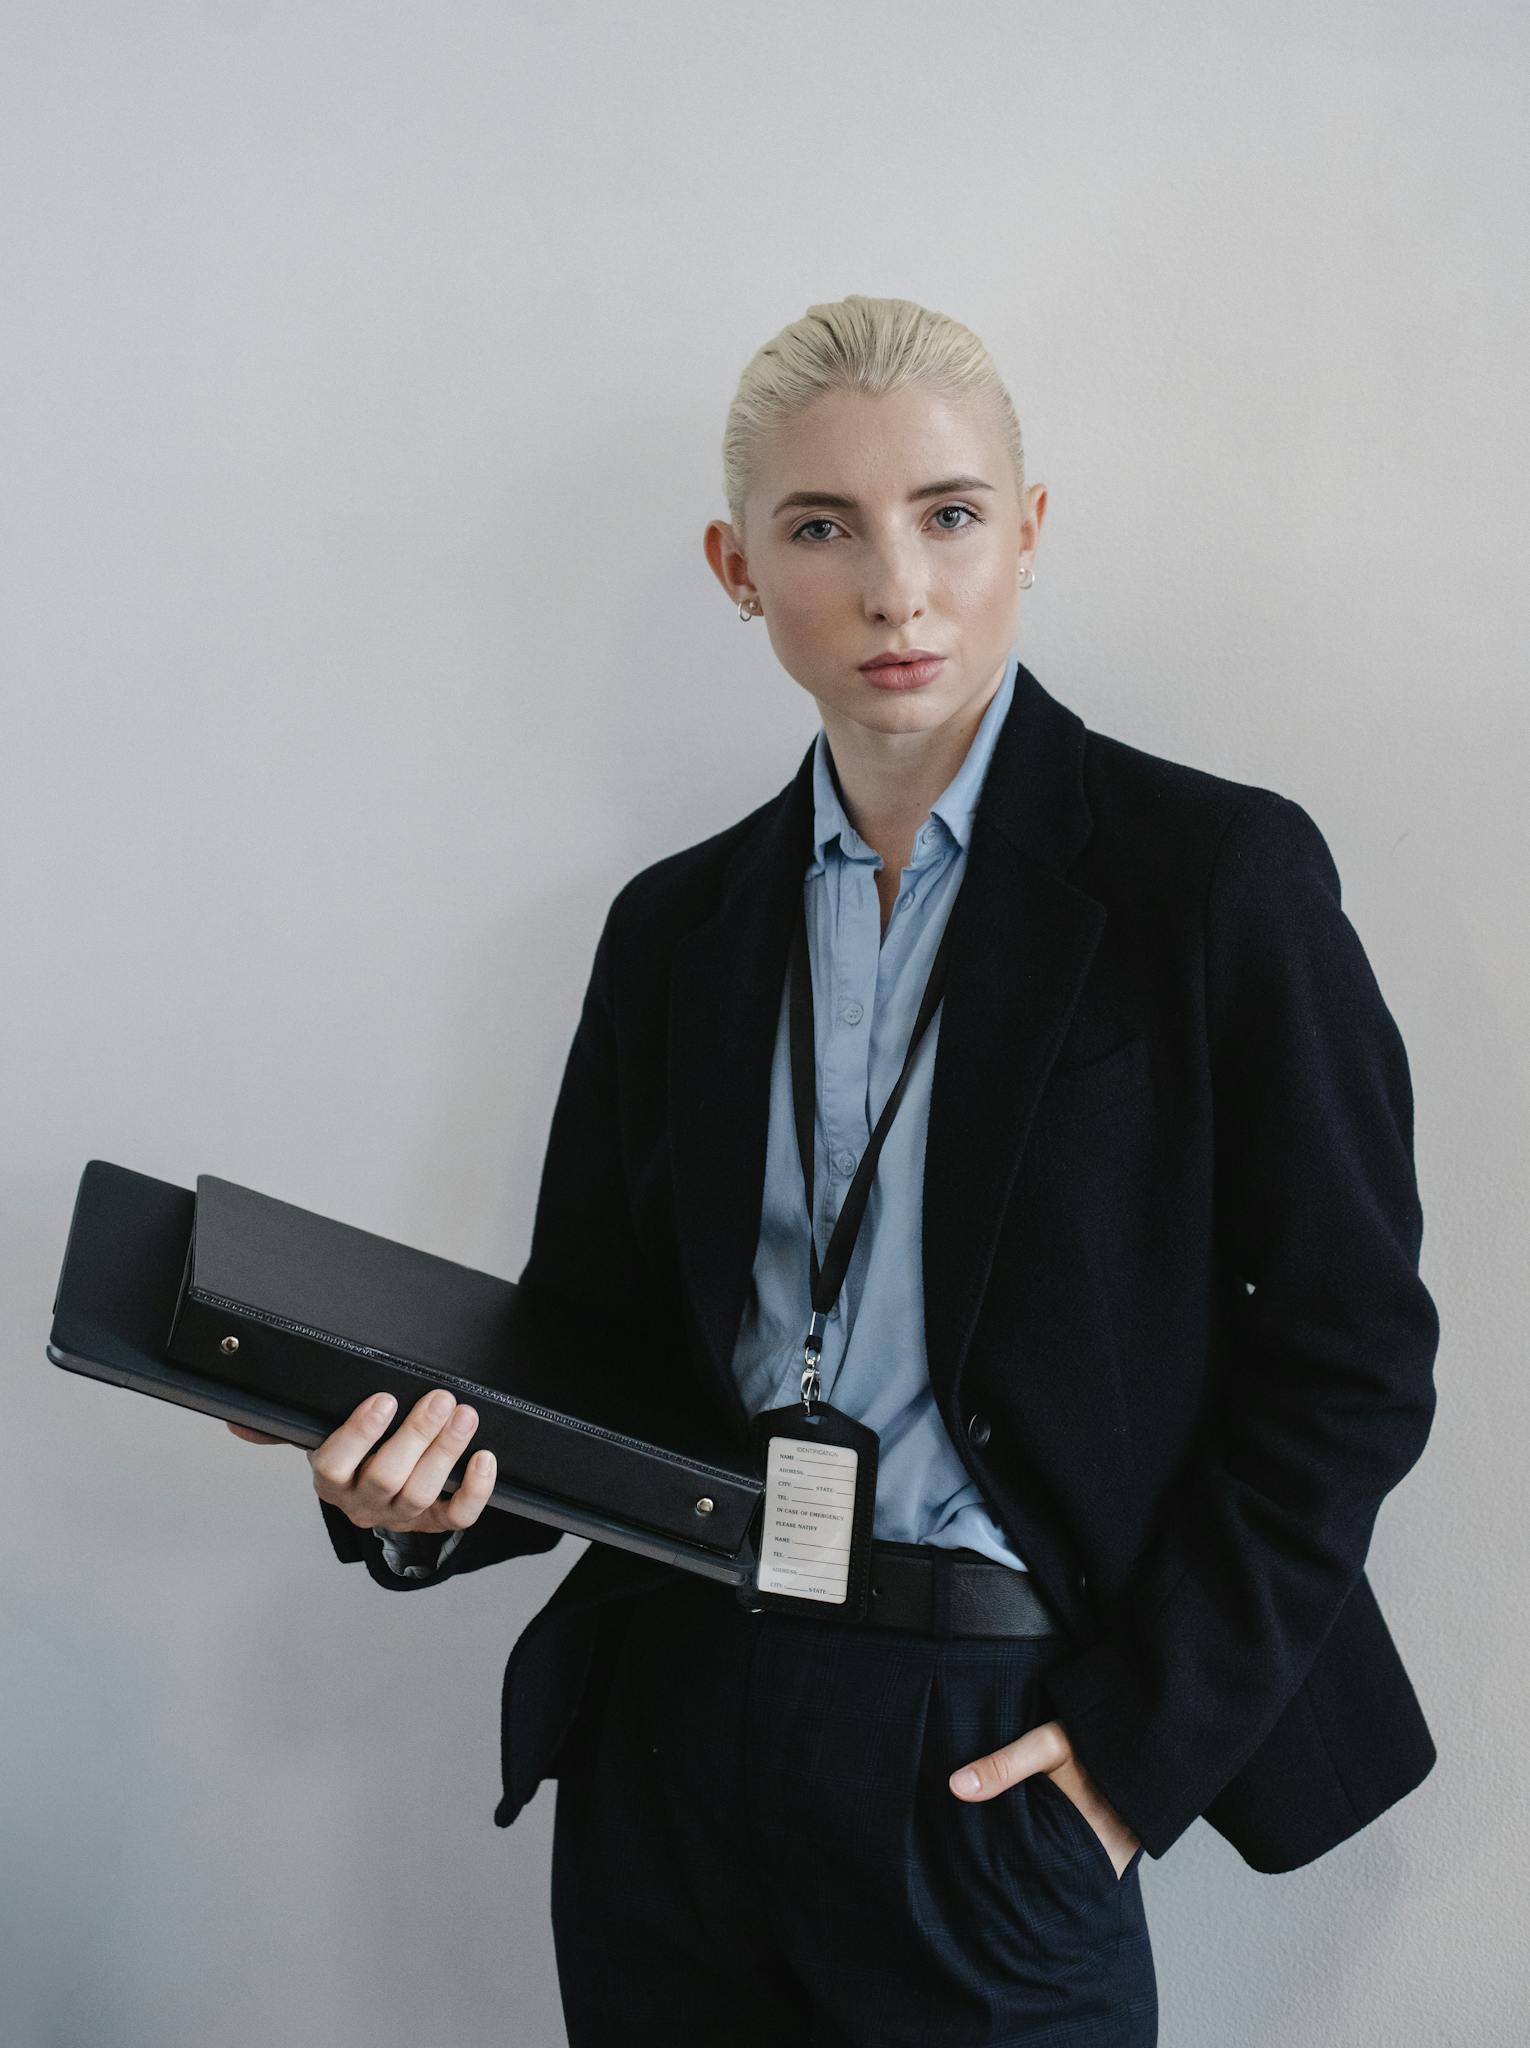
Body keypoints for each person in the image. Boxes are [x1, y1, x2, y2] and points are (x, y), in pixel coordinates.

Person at [230, 294, 1440, 2045]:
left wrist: (1128, 1758)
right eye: (821, 527)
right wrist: (408, 1498)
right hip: (672, 1729)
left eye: (948, 514)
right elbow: (602, 1360)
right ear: (737, 564)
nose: (895, 587)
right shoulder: (675, 930)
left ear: (1028, 532)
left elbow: (1350, 1359)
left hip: (994, 1741)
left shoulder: (1213, 881)